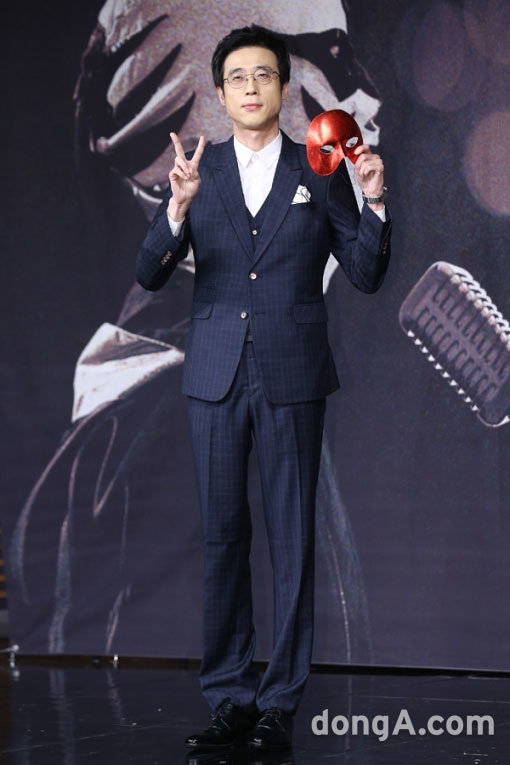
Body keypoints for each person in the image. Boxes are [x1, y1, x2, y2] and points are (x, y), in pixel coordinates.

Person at [135, 25, 391, 751]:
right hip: (215, 375)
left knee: (291, 538)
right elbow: (148, 273)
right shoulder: (198, 170)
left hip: (292, 371)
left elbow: (366, 274)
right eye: (237, 78)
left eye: (264, 75)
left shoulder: (319, 169)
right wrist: (176, 210)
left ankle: (279, 701)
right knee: (223, 537)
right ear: (220, 95)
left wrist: (374, 203)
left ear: (285, 86)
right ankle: (229, 697)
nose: (251, 87)